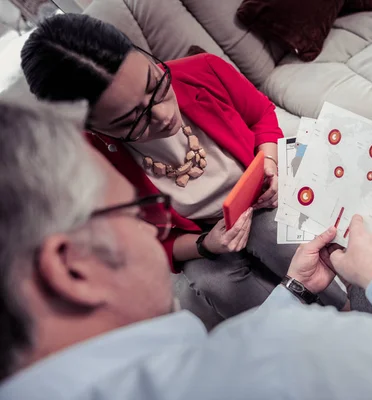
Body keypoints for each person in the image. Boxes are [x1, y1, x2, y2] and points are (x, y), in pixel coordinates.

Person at [0, 96, 372, 400]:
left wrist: (291, 293)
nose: (154, 230)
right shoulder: (294, 357)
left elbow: (262, 116)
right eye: (139, 213)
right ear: (71, 269)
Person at [20, 13, 348, 319]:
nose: (164, 116)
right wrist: (205, 245)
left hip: (254, 200)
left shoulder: (203, 70)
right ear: (93, 127)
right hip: (194, 235)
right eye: (131, 120)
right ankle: (282, 339)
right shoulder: (92, 164)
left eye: (156, 86)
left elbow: (262, 115)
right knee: (217, 284)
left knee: (277, 236)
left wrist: (271, 163)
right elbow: (142, 241)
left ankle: (344, 309)